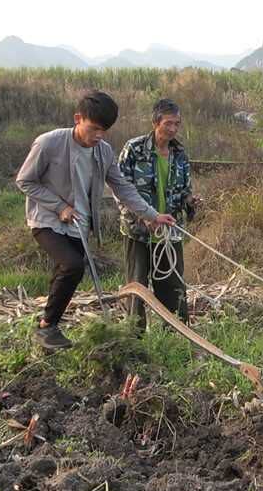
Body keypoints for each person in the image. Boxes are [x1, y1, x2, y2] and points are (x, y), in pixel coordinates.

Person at [15, 90, 176, 350]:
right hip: (47, 219)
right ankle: (47, 327)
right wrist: (59, 207)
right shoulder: (49, 143)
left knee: (66, 271)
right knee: (72, 265)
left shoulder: (103, 152)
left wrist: (152, 215)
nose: (99, 136)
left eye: (104, 131)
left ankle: (48, 330)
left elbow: (122, 187)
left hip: (80, 223)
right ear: (78, 118)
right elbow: (25, 181)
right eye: (94, 129)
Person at [115, 98, 201, 332]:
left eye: (177, 124)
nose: (173, 129)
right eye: (168, 123)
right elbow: (121, 190)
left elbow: (185, 190)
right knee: (137, 286)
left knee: (173, 287)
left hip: (169, 232)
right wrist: (142, 218)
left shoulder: (180, 154)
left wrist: (190, 202)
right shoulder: (133, 149)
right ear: (155, 122)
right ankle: (134, 337)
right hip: (139, 233)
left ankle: (177, 334)